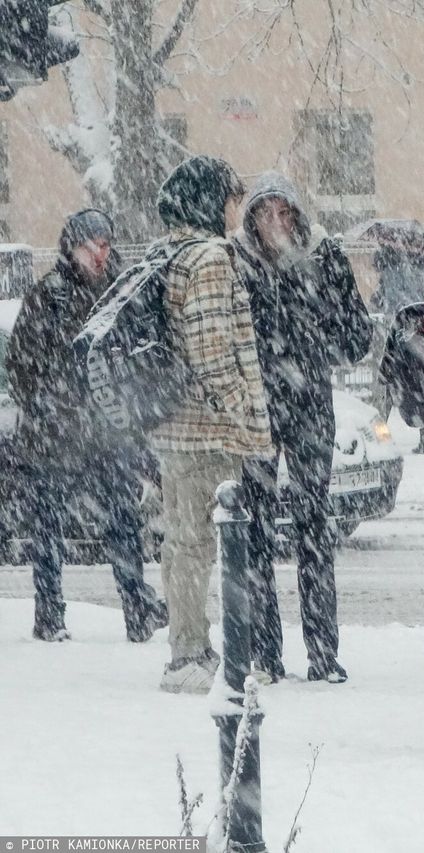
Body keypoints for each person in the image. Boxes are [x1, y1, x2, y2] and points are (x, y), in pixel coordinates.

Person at [233, 171, 373, 684]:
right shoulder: (237, 264)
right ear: (251, 221)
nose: (275, 223)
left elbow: (356, 336)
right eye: (264, 213)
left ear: (297, 215)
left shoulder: (324, 256)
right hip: (256, 408)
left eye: (284, 212)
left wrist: (313, 320)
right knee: (256, 532)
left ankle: (323, 653)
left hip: (310, 403)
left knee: (315, 528)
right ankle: (265, 654)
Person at [5, 209, 167, 643]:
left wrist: (128, 414)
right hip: (54, 438)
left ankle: (137, 610)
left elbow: (139, 360)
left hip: (108, 435)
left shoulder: (120, 296)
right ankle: (49, 616)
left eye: (105, 244)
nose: (100, 253)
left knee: (123, 523)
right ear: (71, 249)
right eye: (90, 245)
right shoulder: (47, 296)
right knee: (48, 531)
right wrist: (53, 407)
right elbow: (20, 366)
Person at [150, 156, 274, 694]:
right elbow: (211, 345)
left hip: (172, 426)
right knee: (199, 543)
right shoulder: (209, 257)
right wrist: (239, 406)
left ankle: (186, 646)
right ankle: (191, 655)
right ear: (207, 200)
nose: (233, 211)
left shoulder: (168, 251)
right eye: (228, 198)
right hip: (205, 429)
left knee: (180, 542)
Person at [371, 241, 424, 454]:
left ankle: (378, 435)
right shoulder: (422, 266)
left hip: (396, 330)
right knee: (423, 386)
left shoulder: (390, 271)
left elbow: (384, 301)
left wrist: (378, 299)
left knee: (388, 383)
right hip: (422, 332)